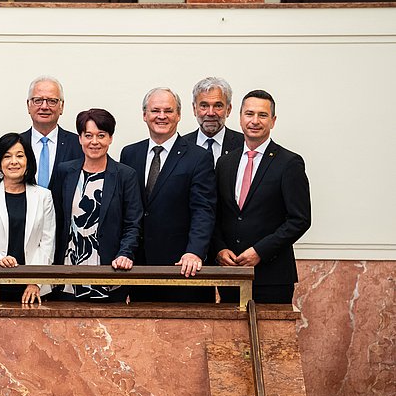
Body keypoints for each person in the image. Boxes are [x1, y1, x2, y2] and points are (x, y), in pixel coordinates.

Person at [213, 90, 311, 304]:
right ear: (240, 118)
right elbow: (217, 214)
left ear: (273, 121)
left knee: (271, 338)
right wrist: (219, 248)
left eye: (262, 115)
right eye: (249, 114)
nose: (255, 121)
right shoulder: (225, 163)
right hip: (231, 275)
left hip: (272, 277)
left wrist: (260, 251)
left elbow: (300, 219)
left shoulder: (289, 163)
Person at [119, 88, 216, 302]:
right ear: (144, 115)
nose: (161, 116)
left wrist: (195, 252)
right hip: (138, 269)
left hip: (183, 268)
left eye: (168, 111)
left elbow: (204, 211)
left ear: (178, 115)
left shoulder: (199, 157)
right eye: (155, 110)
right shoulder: (129, 153)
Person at [51, 108, 142, 302]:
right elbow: (54, 218)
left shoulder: (125, 175)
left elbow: (133, 223)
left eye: (101, 135)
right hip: (68, 271)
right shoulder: (65, 171)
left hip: (110, 270)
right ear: (80, 138)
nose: (94, 142)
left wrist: (125, 254)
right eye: (88, 135)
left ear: (110, 138)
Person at [0, 133, 56, 304]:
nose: (14, 161)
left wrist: (35, 281)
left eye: (20, 156)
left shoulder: (43, 196)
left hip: (31, 288)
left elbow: (47, 242)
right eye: (7, 156)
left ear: (28, 161)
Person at [20, 76, 83, 188]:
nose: (44, 107)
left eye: (52, 101)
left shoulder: (79, 145)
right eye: (38, 100)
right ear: (28, 105)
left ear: (61, 106)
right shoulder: (16, 144)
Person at [183, 77, 244, 166]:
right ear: (194, 109)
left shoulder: (243, 144)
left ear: (228, 109)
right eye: (204, 106)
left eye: (218, 106)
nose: (211, 113)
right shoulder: (181, 145)